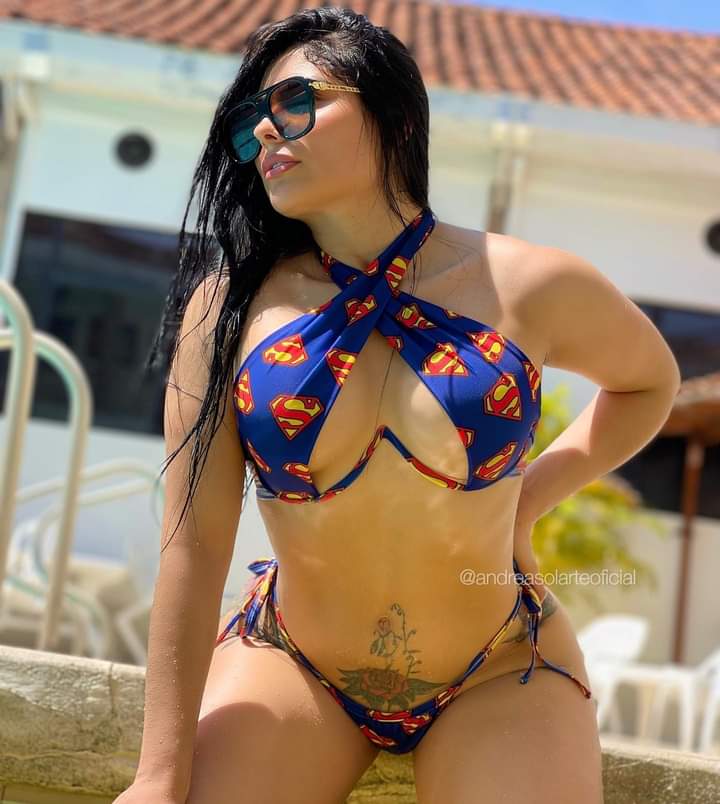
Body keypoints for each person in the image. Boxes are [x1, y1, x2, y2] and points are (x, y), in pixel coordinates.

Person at [114, 7, 681, 804]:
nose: (268, 131)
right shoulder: (231, 308)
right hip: (294, 663)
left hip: (500, 667)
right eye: (252, 121)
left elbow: (649, 381)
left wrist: (532, 496)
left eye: (299, 102)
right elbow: (194, 542)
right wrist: (158, 775)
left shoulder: (529, 285)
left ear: (396, 115)